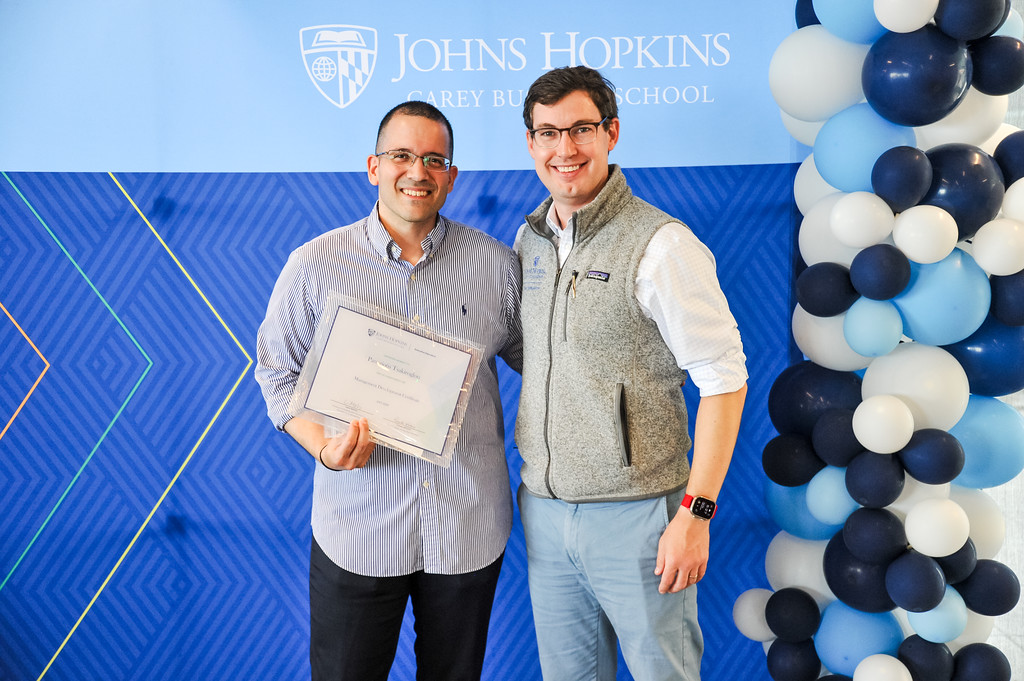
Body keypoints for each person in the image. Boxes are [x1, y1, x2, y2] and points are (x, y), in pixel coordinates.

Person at [255, 100, 523, 681]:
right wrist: (322, 447)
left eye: (434, 159)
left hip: (465, 528)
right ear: (373, 166)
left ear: (451, 176)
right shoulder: (315, 265)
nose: (417, 171)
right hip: (357, 527)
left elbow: (547, 369)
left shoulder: (497, 268)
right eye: (401, 155)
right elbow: (276, 372)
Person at [513, 66, 749, 681]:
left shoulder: (663, 245)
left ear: (611, 133)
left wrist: (695, 514)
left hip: (643, 517)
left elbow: (724, 379)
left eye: (581, 129)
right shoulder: (530, 241)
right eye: (548, 133)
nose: (565, 150)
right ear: (531, 143)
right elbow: (541, 356)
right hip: (543, 510)